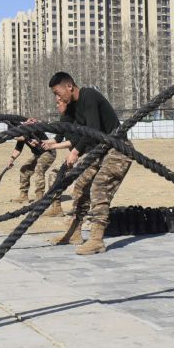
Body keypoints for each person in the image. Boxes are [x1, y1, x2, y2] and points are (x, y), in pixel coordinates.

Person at [40, 72, 131, 255]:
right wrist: (39, 128)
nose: (57, 98)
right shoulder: (72, 106)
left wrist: (75, 152)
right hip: (98, 151)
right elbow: (63, 129)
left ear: (69, 86)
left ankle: (96, 239)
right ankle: (74, 233)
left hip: (117, 149)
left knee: (99, 187)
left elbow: (93, 130)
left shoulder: (88, 95)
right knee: (80, 187)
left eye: (58, 93)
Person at [6, 121, 57, 204]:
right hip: (38, 154)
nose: (14, 137)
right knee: (24, 170)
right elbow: (18, 149)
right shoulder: (22, 133)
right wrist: (11, 160)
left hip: (48, 152)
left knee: (39, 170)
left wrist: (15, 137)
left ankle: (39, 197)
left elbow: (25, 137)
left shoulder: (30, 129)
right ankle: (23, 196)